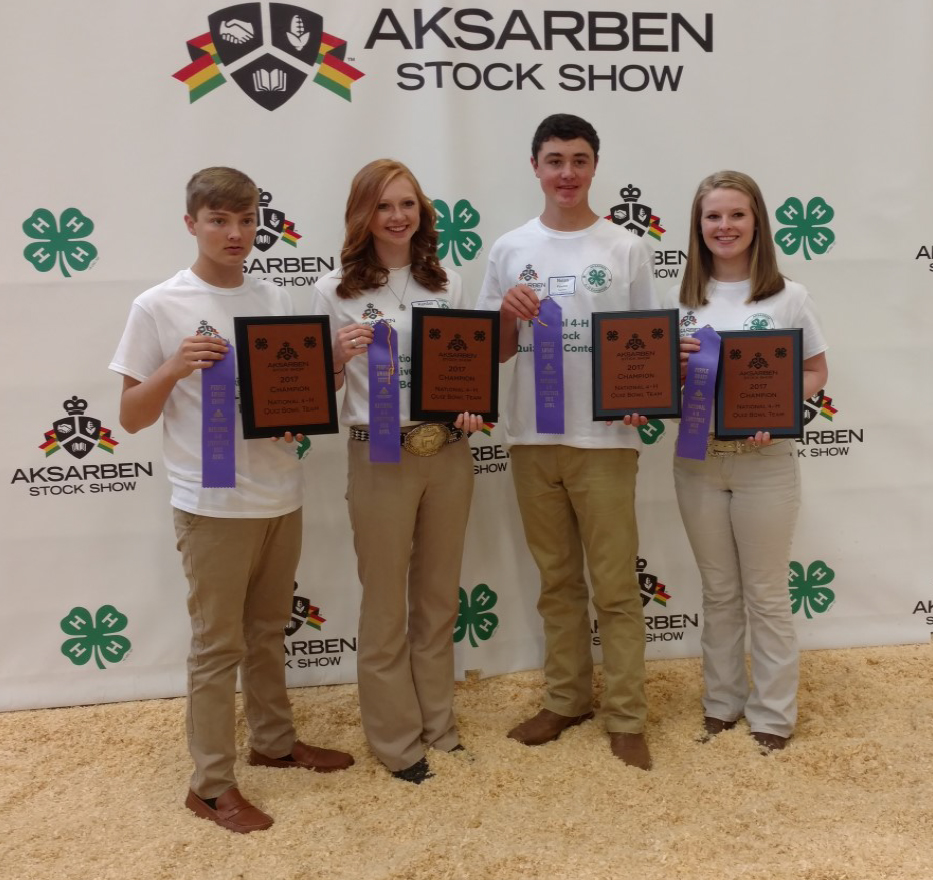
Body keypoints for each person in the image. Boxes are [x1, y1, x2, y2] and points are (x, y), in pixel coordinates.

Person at [109, 167, 353, 834]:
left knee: (267, 634)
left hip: (281, 492)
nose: (235, 233)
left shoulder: (277, 296)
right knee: (218, 648)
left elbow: (302, 396)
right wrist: (171, 368)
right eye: (219, 220)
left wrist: (333, 365)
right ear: (192, 223)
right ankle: (209, 785)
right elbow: (130, 416)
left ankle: (272, 743)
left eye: (245, 220)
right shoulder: (157, 306)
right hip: (211, 504)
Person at [476, 114, 657, 770]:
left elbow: (646, 346)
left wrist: (643, 401)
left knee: (613, 586)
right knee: (556, 582)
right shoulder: (505, 249)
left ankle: (627, 715)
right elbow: (489, 356)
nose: (567, 173)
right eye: (554, 160)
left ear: (594, 166)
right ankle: (565, 698)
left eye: (579, 160)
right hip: (530, 437)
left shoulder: (625, 248)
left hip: (604, 440)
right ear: (534, 167)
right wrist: (503, 315)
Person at [310, 159, 482, 784]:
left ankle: (440, 725)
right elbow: (316, 390)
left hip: (449, 454)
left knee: (437, 600)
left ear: (422, 212)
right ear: (364, 214)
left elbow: (470, 372)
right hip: (378, 454)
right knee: (385, 603)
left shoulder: (450, 284)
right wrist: (332, 356)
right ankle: (396, 740)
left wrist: (472, 408)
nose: (399, 216)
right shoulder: (334, 292)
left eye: (408, 204)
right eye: (385, 205)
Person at [669, 170, 829, 752]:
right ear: (698, 226)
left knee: (764, 592)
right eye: (713, 216)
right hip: (696, 461)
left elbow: (816, 371)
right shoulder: (680, 299)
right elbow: (659, 382)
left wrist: (783, 404)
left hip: (766, 463)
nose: (725, 226)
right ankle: (721, 703)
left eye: (736, 215)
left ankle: (773, 714)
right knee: (717, 591)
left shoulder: (789, 295)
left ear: (757, 221)